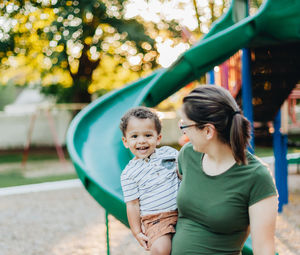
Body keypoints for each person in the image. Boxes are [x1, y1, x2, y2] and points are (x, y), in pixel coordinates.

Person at [171, 85, 278, 255]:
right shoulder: (187, 155)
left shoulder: (257, 177)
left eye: (185, 125)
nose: (182, 133)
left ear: (207, 131)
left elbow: (264, 249)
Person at [120, 106, 181, 255]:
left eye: (148, 135)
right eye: (134, 136)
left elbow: (184, 174)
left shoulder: (170, 153)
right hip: (156, 219)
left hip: (184, 211)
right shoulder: (129, 174)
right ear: (125, 141)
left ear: (158, 138)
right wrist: (136, 231)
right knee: (161, 250)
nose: (141, 141)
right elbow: (133, 204)